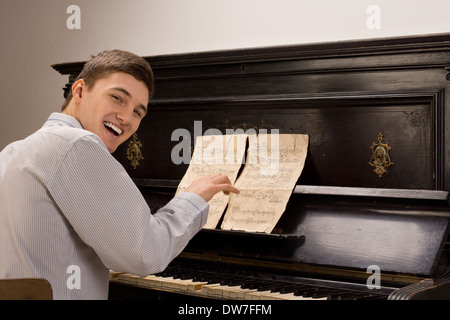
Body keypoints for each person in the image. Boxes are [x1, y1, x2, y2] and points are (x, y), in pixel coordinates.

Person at [0, 50, 239, 299]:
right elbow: (146, 254)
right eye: (117, 98)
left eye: (138, 112)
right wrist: (192, 197)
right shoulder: (77, 144)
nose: (126, 118)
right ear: (80, 91)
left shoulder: (12, 153)